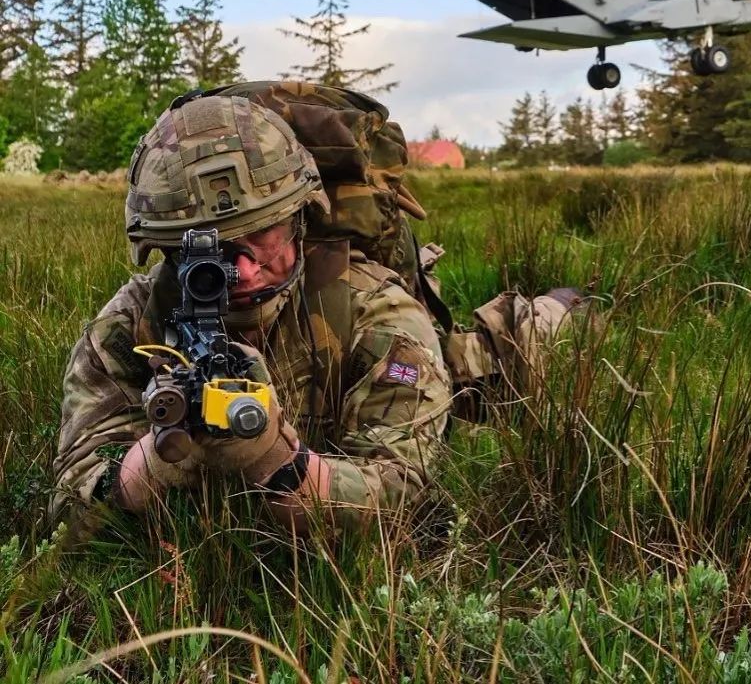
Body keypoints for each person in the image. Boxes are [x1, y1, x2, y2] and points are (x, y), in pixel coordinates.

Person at [52, 93, 581, 536]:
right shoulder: (127, 329)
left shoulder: (377, 312)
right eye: (208, 251)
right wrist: (155, 462)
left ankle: (562, 309)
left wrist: (272, 461)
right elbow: (68, 512)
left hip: (404, 367)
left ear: (302, 217)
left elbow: (400, 497)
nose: (241, 270)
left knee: (490, 360)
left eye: (262, 234)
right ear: (164, 251)